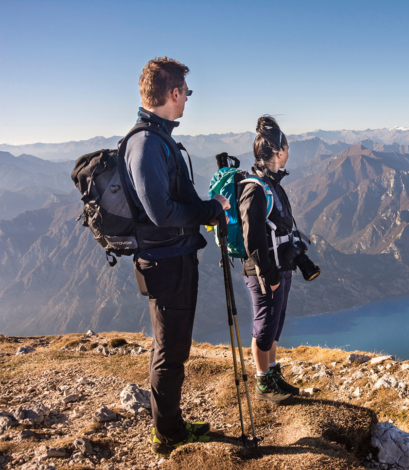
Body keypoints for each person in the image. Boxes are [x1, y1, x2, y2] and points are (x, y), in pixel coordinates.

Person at [125, 57, 230, 456]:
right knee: (170, 350)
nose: (187, 98)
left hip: (173, 257)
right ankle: (168, 435)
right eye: (186, 91)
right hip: (167, 262)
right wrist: (210, 210)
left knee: (172, 346)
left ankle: (171, 424)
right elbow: (161, 212)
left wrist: (206, 209)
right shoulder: (147, 143)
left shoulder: (157, 139)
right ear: (173, 93)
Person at [239, 116, 300, 405]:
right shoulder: (255, 188)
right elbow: (253, 240)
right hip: (264, 271)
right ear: (278, 152)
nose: (289, 152)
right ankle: (263, 382)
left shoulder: (272, 183)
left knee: (276, 322)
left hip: (280, 267)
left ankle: (273, 373)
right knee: (264, 325)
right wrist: (269, 274)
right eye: (286, 147)